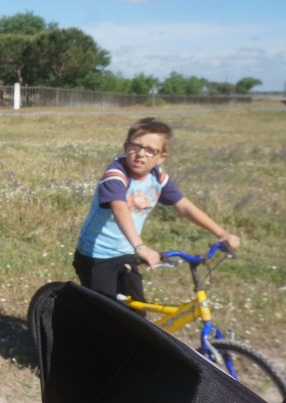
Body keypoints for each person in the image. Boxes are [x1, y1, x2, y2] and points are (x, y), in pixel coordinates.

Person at [74, 117, 242, 301]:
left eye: (150, 150)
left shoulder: (157, 176)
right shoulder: (116, 174)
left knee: (137, 314)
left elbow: (184, 205)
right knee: (102, 314)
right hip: (97, 256)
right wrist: (141, 246)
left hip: (127, 253)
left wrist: (221, 233)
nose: (140, 154)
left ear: (161, 157)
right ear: (125, 147)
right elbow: (119, 208)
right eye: (135, 146)